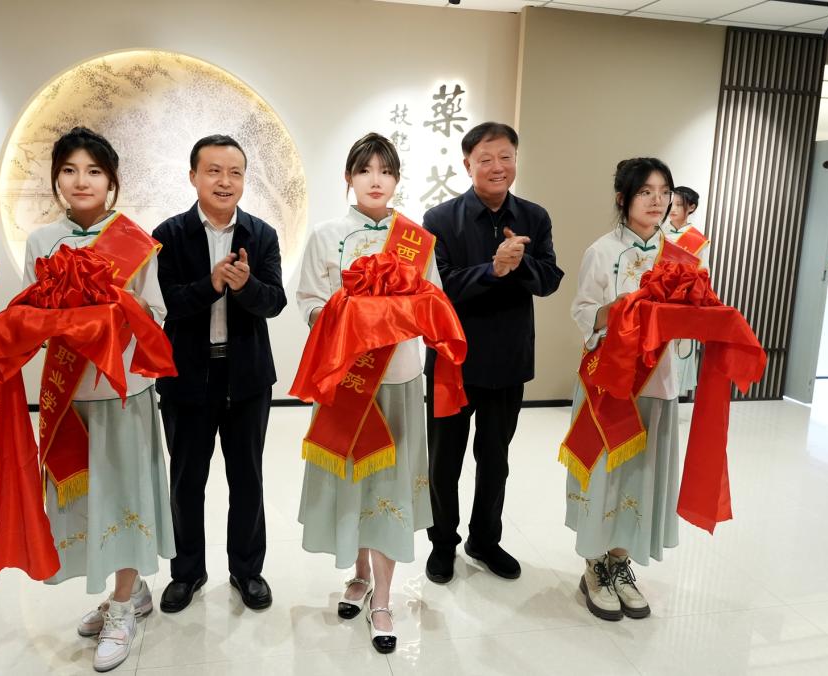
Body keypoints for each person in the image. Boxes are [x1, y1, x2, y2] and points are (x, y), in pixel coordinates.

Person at [22, 126, 174, 672]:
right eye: (69, 171)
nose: (80, 181)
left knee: (126, 494)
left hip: (122, 389)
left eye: (93, 171)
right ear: (56, 180)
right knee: (86, 499)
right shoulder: (42, 241)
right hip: (67, 395)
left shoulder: (134, 239)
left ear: (111, 181)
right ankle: (126, 594)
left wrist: (116, 311)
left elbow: (157, 314)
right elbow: (30, 314)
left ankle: (122, 606)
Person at [295, 133, 438, 653]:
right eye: (365, 170)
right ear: (349, 178)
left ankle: (382, 599)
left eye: (386, 171)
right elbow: (308, 300)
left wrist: (393, 315)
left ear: (397, 179)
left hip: (398, 378)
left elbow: (433, 304)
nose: (376, 180)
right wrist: (340, 316)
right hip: (345, 379)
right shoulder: (326, 235)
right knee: (353, 478)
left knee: (388, 488)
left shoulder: (417, 240)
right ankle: (357, 574)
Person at [423, 122, 563, 583]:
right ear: (468, 165)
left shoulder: (535, 217)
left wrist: (518, 265)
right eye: (486, 159)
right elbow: (438, 288)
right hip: (452, 361)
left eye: (506, 157)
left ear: (516, 160)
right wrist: (492, 269)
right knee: (444, 461)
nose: (497, 167)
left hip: (507, 359)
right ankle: (443, 543)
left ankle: (485, 540)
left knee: (495, 459)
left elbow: (550, 280)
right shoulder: (439, 219)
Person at [153, 134, 286, 614]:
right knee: (186, 481)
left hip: (247, 377)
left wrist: (246, 286)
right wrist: (211, 285)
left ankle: (247, 570)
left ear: (244, 180)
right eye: (213, 171)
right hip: (186, 378)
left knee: (247, 479)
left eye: (234, 173)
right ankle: (187, 572)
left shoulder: (261, 234)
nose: (224, 181)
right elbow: (166, 304)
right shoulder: (168, 235)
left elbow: (275, 302)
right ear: (193, 176)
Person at [566, 157, 680, 622]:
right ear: (623, 198)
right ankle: (594, 564)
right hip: (609, 385)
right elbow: (582, 312)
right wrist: (617, 310)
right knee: (605, 473)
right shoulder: (602, 250)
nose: (657, 201)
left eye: (664, 192)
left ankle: (620, 562)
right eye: (645, 192)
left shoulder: (680, 255)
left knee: (640, 475)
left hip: (657, 382)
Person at [666, 186, 708, 397]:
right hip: (660, 297)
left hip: (682, 299)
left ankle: (673, 396)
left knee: (678, 350)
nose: (672, 209)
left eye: (678, 205)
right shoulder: (659, 234)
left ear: (691, 207)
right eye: (671, 204)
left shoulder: (698, 240)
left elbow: (702, 273)